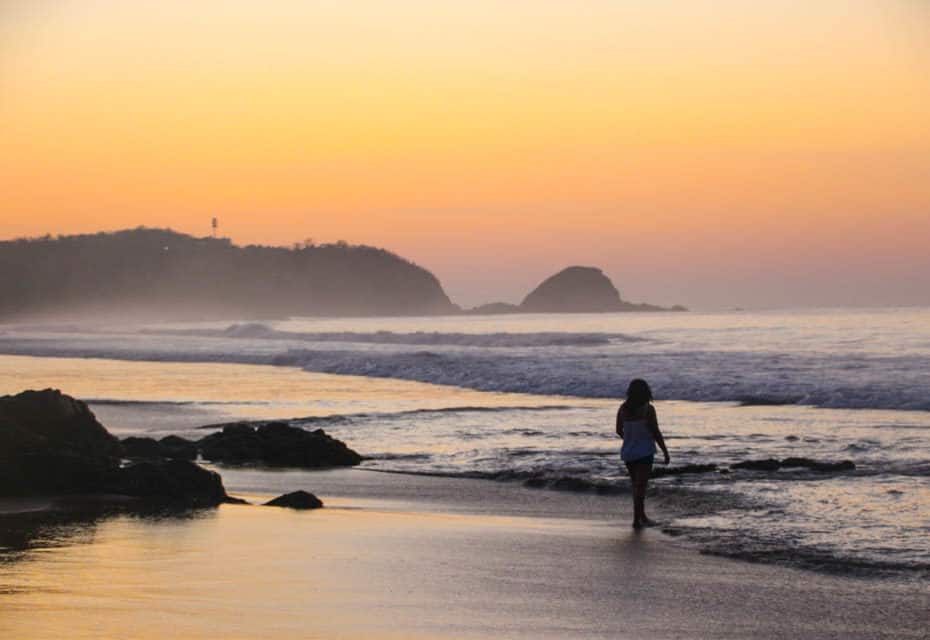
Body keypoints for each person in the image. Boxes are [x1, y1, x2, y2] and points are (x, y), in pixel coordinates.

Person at [616, 378, 670, 529]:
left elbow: (619, 430)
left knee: (636, 486)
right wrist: (665, 451)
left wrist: (630, 438)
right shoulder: (648, 409)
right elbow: (656, 432)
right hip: (645, 452)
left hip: (628, 452)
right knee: (641, 487)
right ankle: (637, 519)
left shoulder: (623, 408)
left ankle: (641, 516)